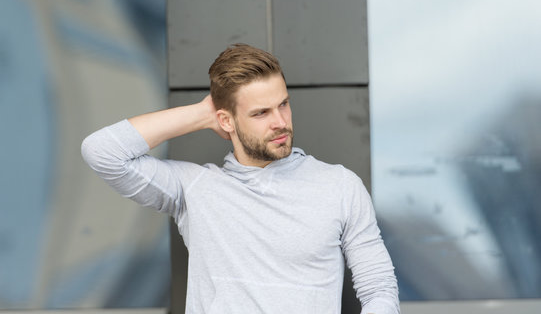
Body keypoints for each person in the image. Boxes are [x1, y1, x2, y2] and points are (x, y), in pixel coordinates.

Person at [81, 44, 400, 314]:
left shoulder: (340, 186)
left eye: (283, 105)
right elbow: (103, 152)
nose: (280, 122)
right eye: (261, 113)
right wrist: (201, 114)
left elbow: (379, 288)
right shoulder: (195, 189)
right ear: (225, 120)